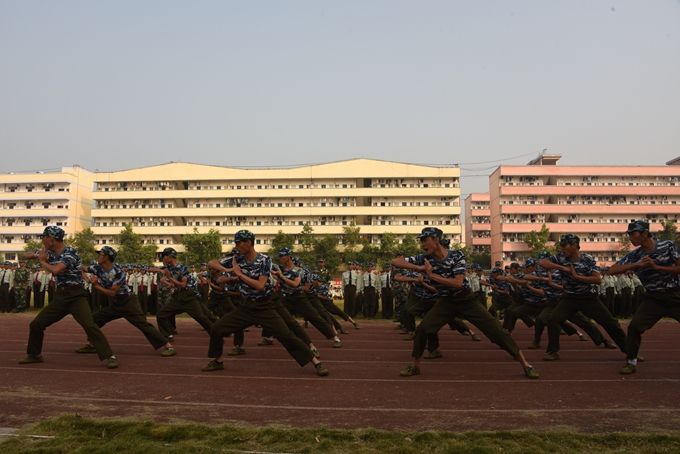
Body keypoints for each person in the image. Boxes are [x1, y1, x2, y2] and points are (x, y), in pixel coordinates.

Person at [393, 227, 539, 379]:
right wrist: (419, 267)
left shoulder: (457, 255)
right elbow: (396, 261)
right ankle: (415, 366)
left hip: (466, 300)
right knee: (423, 329)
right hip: (446, 302)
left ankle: (526, 365)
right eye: (421, 240)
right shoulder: (425, 259)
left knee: (496, 331)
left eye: (425, 240)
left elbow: (457, 282)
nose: (422, 244)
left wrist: (431, 275)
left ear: (436, 239)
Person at [203, 230, 329, 376]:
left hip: (264, 307)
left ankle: (316, 362)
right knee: (217, 328)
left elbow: (260, 285)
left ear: (249, 243)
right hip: (245, 307)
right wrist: (227, 269)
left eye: (239, 243)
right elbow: (211, 263)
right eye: (236, 243)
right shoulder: (236, 258)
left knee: (286, 335)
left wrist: (238, 274)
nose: (237, 246)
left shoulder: (264, 260)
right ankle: (217, 361)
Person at [18, 226, 118, 369]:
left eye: (44, 237)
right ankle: (34, 355)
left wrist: (41, 261)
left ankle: (109, 356)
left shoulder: (70, 254)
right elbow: (27, 255)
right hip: (61, 296)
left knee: (89, 325)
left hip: (76, 296)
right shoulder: (50, 252)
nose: (42, 240)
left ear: (51, 239)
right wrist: (34, 255)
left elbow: (56, 270)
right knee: (36, 324)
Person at [538, 234, 627, 361]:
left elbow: (597, 280)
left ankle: (629, 350)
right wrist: (563, 268)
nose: (563, 248)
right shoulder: (560, 258)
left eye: (565, 245)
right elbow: (542, 262)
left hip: (588, 298)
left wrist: (578, 277)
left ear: (574, 245)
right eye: (561, 245)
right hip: (569, 298)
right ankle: (552, 352)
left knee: (610, 323)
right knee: (553, 319)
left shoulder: (587, 259)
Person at [75, 246, 176, 357]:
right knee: (93, 319)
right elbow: (83, 269)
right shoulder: (97, 268)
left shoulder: (118, 272)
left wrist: (95, 285)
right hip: (116, 303)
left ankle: (168, 346)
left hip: (128, 302)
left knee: (143, 325)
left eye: (101, 254)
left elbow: (112, 292)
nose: (98, 256)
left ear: (107, 257)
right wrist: (74, 264)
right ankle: (92, 344)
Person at [609, 220, 680, 374]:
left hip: (674, 295)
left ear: (645, 233)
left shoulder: (667, 245)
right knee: (634, 327)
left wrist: (656, 267)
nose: (630, 238)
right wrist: (636, 265)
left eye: (633, 234)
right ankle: (631, 362)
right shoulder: (636, 255)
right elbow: (612, 270)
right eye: (628, 235)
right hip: (653, 299)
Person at [152, 248, 214, 340]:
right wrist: (167, 282)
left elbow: (183, 284)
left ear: (169, 257)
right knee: (161, 314)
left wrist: (170, 279)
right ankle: (167, 336)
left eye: (164, 257)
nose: (163, 259)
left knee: (201, 318)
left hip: (189, 296)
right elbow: (171, 282)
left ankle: (216, 334)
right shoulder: (169, 268)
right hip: (178, 297)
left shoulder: (182, 268)